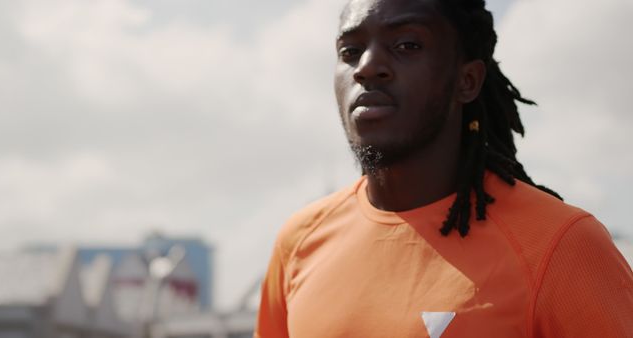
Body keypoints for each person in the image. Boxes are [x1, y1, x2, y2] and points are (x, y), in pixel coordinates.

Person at [254, 0, 633, 336]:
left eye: (407, 45)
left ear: (467, 81)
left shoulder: (562, 247)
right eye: (350, 50)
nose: (366, 68)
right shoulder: (299, 242)